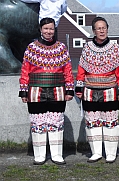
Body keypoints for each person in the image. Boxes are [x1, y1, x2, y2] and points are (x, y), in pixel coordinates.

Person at [19, 17, 74, 165]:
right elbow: (25, 71)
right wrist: (23, 91)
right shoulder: (31, 48)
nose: (49, 31)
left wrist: (70, 89)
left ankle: (56, 154)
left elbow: (67, 70)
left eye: (51, 28)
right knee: (38, 122)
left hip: (58, 89)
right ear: (40, 29)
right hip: (36, 90)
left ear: (54, 30)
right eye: (46, 28)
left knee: (56, 121)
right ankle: (40, 155)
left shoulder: (61, 48)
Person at [75, 16, 119, 163]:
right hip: (90, 91)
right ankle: (96, 152)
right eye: (98, 28)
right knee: (92, 122)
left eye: (104, 28)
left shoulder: (115, 47)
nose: (101, 30)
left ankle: (111, 153)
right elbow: (81, 69)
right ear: (93, 31)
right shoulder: (87, 47)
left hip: (110, 90)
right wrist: (79, 88)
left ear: (107, 29)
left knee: (110, 122)